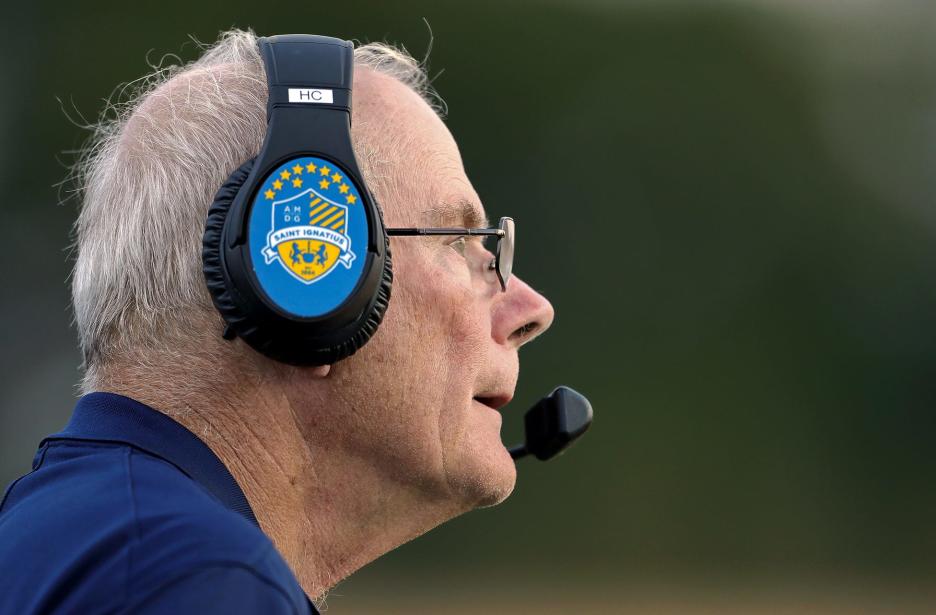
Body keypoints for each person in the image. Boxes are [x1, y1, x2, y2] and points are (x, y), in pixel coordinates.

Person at [0, 29, 554, 613]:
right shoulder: (196, 579)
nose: (531, 308)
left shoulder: (80, 539)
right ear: (300, 293)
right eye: (460, 242)